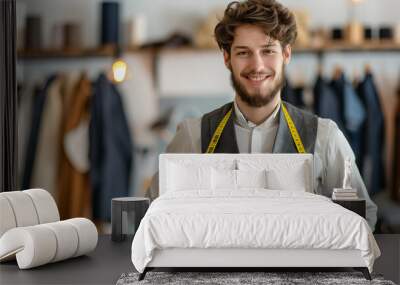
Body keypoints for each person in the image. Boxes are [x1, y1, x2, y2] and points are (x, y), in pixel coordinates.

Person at [146, 0, 377, 231]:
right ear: (227, 58)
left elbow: (363, 219)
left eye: (267, 51)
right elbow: (153, 215)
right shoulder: (192, 137)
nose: (257, 65)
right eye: (243, 52)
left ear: (286, 54)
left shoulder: (325, 138)